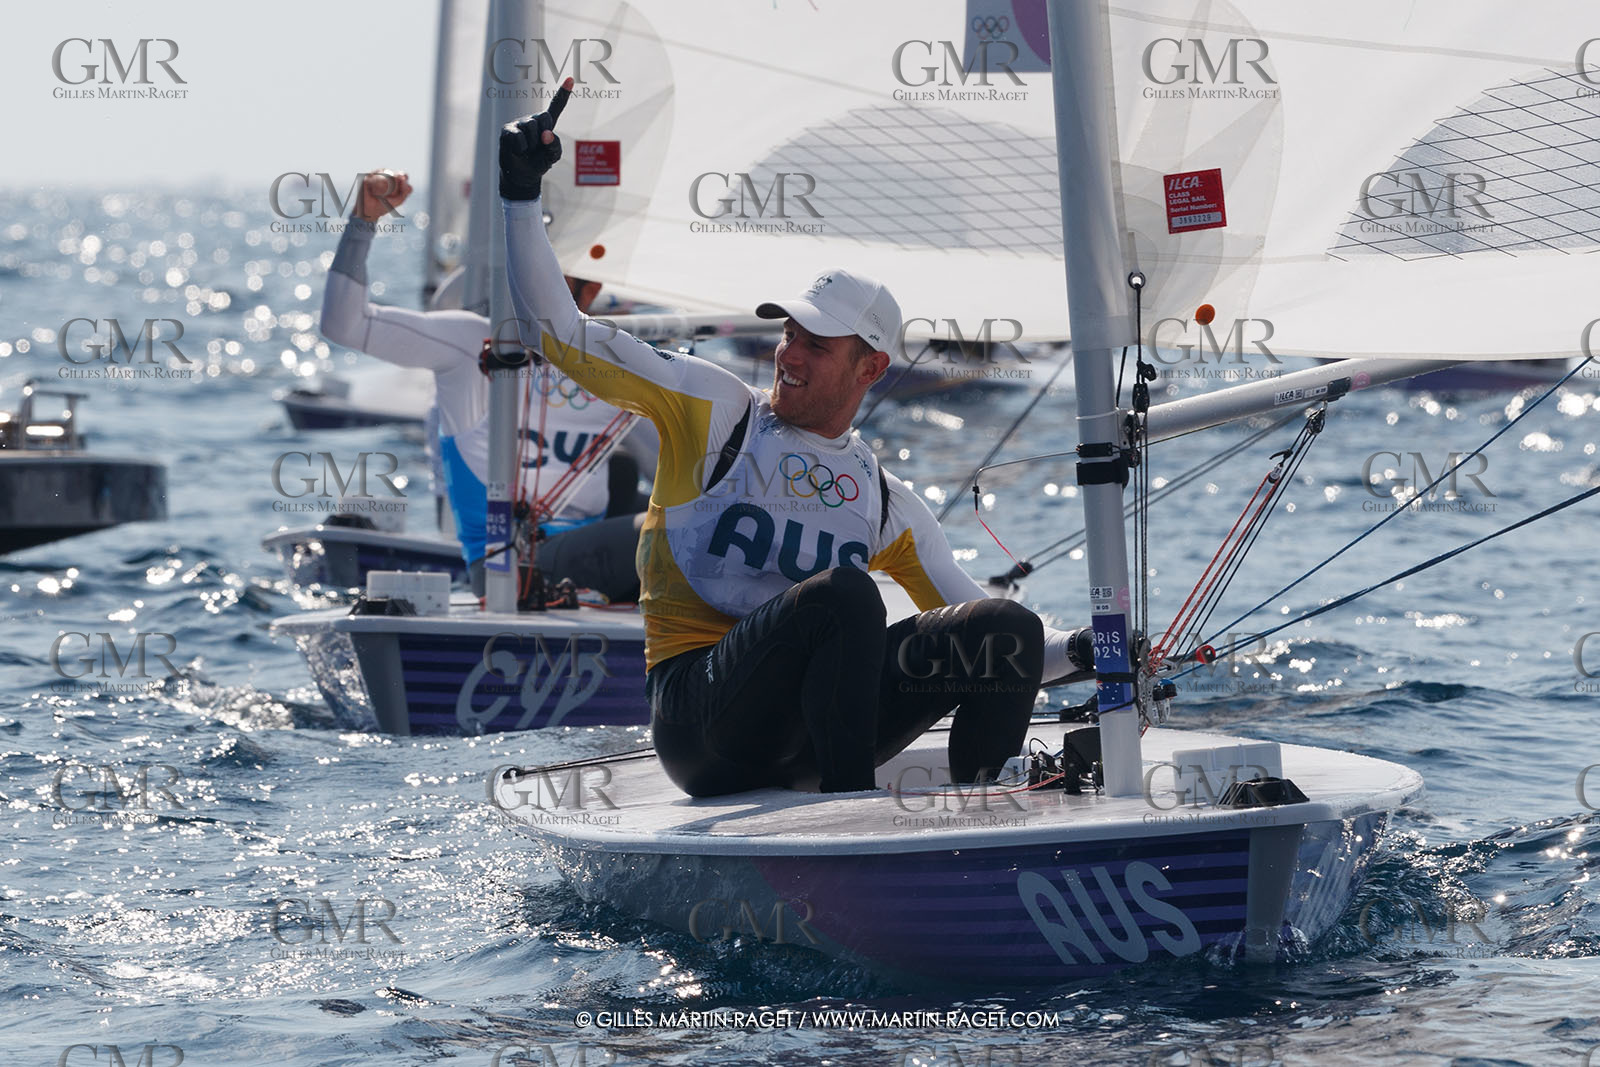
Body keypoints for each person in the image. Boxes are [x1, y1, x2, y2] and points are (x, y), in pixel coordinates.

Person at [500, 83, 1093, 797]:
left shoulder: (884, 503)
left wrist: (1092, 650)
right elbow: (558, 332)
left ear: (870, 366)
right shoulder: (713, 411)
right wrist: (520, 194)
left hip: (809, 732)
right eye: (787, 332)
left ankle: (990, 808)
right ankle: (851, 816)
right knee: (843, 597)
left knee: (1005, 626)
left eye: (815, 343)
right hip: (702, 724)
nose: (788, 354)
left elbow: (1015, 643)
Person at [319, 168, 657, 601]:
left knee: (693, 511)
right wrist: (364, 222)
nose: (537, 289)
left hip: (591, 561)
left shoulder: (613, 364)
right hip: (509, 566)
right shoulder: (470, 343)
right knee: (673, 531)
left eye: (555, 277)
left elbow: (685, 471)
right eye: (531, 272)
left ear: (589, 291)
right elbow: (344, 324)